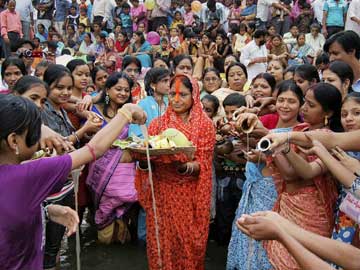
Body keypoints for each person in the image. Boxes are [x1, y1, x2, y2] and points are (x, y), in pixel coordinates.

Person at [0, 93, 146, 270]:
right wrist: (127, 112)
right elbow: (94, 149)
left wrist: (47, 211)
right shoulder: (29, 174)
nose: (38, 137)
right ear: (13, 141)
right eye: (34, 131)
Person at [135, 74, 215, 270]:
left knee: (187, 243)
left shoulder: (205, 126)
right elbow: (148, 159)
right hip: (161, 194)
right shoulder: (157, 124)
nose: (176, 100)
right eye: (172, 94)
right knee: (161, 243)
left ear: (194, 96)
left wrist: (185, 167)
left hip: (189, 196)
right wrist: (144, 161)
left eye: (183, 95)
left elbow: (203, 164)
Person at [227, 80, 302, 270]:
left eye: (291, 101)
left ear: (301, 104)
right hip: (253, 188)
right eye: (281, 100)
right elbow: (250, 138)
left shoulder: (301, 131)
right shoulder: (268, 120)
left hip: (275, 193)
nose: (285, 106)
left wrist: (263, 150)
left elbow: (293, 169)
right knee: (246, 235)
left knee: (268, 243)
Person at [86, 72, 138, 244]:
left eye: (126, 90)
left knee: (126, 200)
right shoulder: (95, 111)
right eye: (118, 89)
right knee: (105, 207)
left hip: (125, 169)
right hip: (101, 169)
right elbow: (89, 140)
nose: (123, 93)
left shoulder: (132, 112)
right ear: (107, 90)